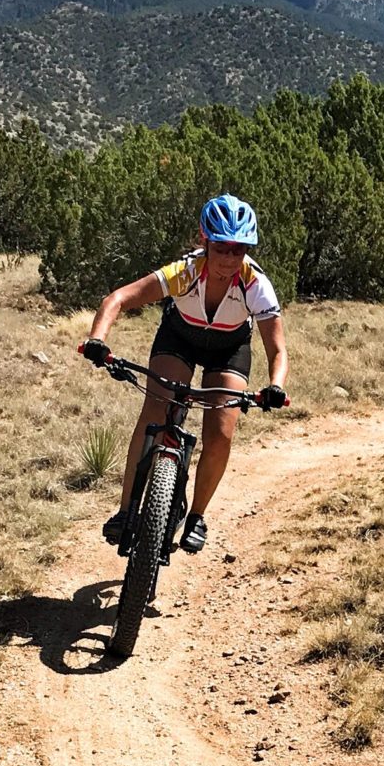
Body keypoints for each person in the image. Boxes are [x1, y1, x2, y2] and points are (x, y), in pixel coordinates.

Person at [80, 195, 290, 554]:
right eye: (221, 248)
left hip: (229, 350)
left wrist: (275, 386)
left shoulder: (256, 285)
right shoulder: (186, 272)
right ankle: (126, 509)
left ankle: (196, 516)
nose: (229, 258)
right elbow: (117, 299)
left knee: (222, 432)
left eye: (238, 250)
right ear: (204, 240)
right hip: (179, 339)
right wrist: (97, 340)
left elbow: (278, 350)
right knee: (154, 414)